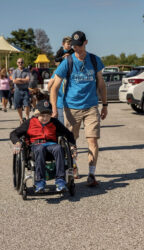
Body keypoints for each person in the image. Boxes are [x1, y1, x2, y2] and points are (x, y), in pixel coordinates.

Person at [50, 30, 108, 187]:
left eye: (79, 45)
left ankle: (91, 174)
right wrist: (54, 108)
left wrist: (105, 104)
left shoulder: (95, 60)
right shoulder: (67, 62)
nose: (77, 48)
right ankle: (73, 165)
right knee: (71, 142)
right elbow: (54, 86)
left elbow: (101, 84)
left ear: (86, 42)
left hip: (91, 107)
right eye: (74, 46)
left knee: (93, 141)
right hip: (71, 108)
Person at [10, 99, 76, 193]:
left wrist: (72, 146)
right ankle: (39, 182)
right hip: (36, 146)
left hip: (51, 145)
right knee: (40, 149)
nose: (45, 118)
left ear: (51, 115)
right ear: (37, 114)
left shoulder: (54, 122)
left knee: (58, 148)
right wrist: (17, 142)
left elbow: (68, 134)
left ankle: (60, 180)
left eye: (48, 116)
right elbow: (14, 133)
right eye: (42, 115)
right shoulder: (30, 122)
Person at [12, 58, 30, 123]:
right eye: (19, 62)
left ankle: (27, 117)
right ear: (17, 63)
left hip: (25, 90)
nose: (20, 63)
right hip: (17, 90)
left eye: (21, 62)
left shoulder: (27, 71)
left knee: (27, 104)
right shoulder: (14, 71)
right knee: (18, 105)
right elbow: (14, 81)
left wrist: (19, 79)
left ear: (23, 63)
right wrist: (23, 80)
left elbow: (28, 80)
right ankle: (21, 119)